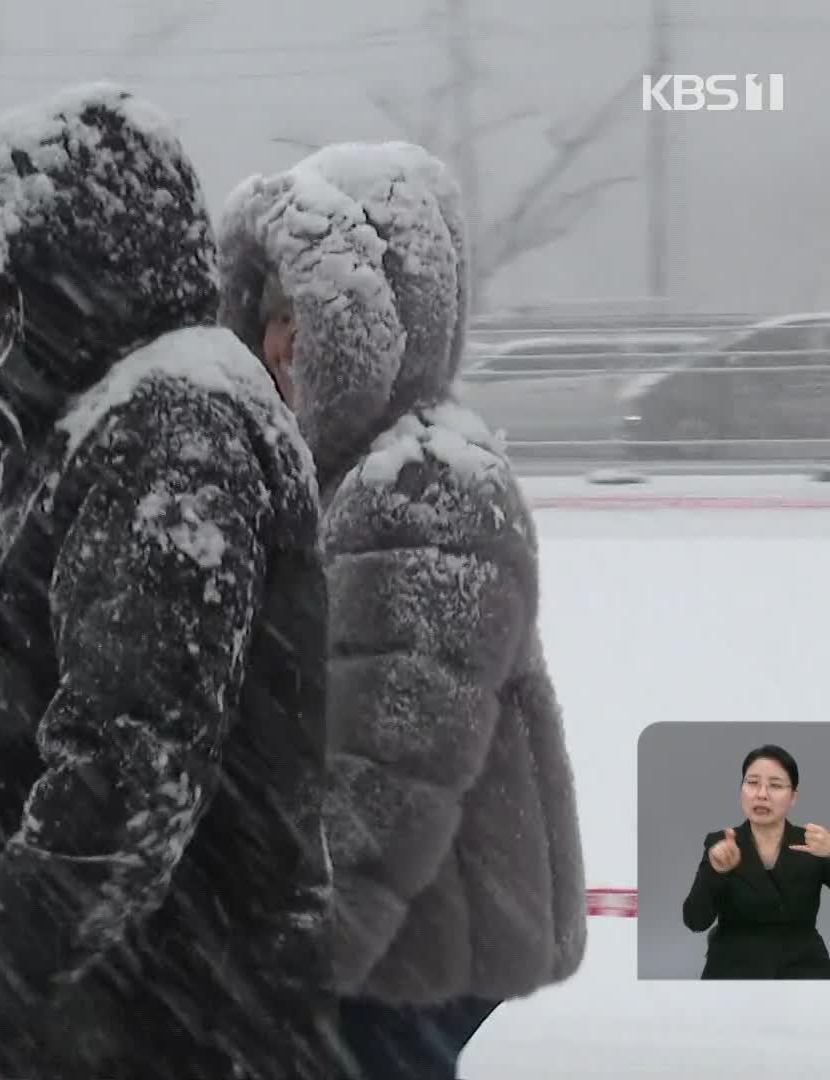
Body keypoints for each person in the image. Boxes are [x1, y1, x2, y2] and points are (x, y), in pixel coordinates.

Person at [0, 82, 339, 1080]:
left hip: (135, 1040)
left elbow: (128, 772)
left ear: (76, 256)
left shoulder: (174, 433)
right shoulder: (68, 437)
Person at [216, 141, 588, 1080]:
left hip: (416, 931)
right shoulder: (339, 476)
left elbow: (396, 765)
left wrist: (303, 957)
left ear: (384, 322)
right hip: (395, 927)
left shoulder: (424, 485)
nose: (281, 342)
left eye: (311, 313)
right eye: (270, 313)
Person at [681, 744, 830, 979]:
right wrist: (715, 872)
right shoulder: (722, 843)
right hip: (732, 965)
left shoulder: (812, 843)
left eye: (775, 785)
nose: (761, 794)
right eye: (752, 782)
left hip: (802, 965)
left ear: (793, 796)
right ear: (741, 789)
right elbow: (695, 920)